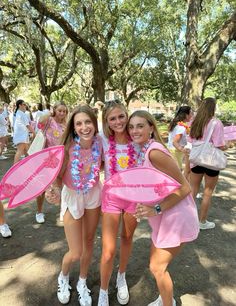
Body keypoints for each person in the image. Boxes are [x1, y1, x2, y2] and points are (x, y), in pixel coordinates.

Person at [128, 110, 199, 306]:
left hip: (176, 216)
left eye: (140, 126)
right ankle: (165, 297)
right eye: (131, 127)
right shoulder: (144, 149)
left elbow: (185, 187)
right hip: (164, 215)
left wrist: (155, 209)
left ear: (151, 127)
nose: (134, 130)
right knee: (157, 266)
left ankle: (168, 303)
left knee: (157, 267)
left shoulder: (155, 152)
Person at [46, 105, 103, 306]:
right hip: (72, 196)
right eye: (79, 123)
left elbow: (104, 165)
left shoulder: (100, 143)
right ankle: (63, 276)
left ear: (95, 124)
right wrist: (52, 190)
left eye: (88, 122)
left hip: (94, 194)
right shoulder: (67, 147)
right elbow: (56, 175)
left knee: (89, 241)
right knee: (76, 251)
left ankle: (82, 282)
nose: (84, 127)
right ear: (73, 126)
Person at [98, 100, 138, 306]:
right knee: (108, 250)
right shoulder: (103, 139)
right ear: (106, 120)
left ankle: (121, 276)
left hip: (134, 197)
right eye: (112, 118)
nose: (118, 121)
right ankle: (103, 291)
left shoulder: (138, 139)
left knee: (127, 238)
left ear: (127, 115)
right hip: (112, 197)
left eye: (121, 116)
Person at [189, 98, 227, 230]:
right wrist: (228, 145)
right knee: (207, 193)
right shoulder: (216, 123)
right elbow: (219, 145)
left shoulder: (194, 121)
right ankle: (202, 222)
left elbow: (191, 139)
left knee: (193, 190)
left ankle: (188, 219)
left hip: (197, 159)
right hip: (211, 161)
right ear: (213, 108)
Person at [35, 101, 68, 224]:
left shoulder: (66, 124)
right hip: (45, 159)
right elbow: (39, 122)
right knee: (42, 187)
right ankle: (39, 212)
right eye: (60, 110)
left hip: (61, 160)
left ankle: (63, 211)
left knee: (62, 186)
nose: (62, 113)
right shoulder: (49, 120)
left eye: (64, 111)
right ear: (55, 110)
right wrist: (48, 113)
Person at [167, 106, 192, 179]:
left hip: (173, 151)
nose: (192, 115)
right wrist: (183, 150)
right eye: (191, 113)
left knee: (175, 173)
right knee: (177, 173)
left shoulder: (177, 125)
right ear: (186, 115)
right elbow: (175, 142)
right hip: (175, 152)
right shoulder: (181, 128)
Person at [13, 99, 35, 164]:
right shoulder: (21, 114)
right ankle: (14, 167)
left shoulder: (18, 113)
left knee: (27, 151)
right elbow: (27, 125)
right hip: (21, 136)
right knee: (20, 151)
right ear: (20, 105)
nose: (25, 106)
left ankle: (30, 164)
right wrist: (34, 132)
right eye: (24, 104)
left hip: (22, 135)